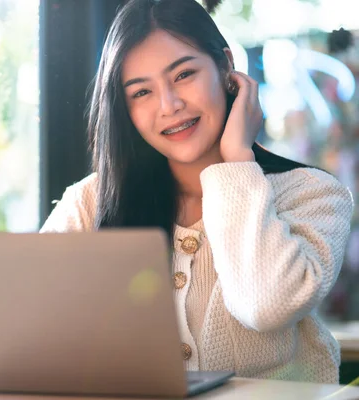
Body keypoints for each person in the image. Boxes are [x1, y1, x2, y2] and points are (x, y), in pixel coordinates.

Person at [40, 0, 354, 384]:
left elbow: (266, 306)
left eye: (184, 74)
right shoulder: (89, 204)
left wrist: (236, 160)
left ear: (225, 66)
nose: (169, 105)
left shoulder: (312, 194)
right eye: (141, 93)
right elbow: (31, 327)